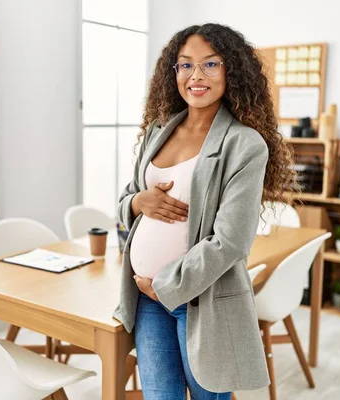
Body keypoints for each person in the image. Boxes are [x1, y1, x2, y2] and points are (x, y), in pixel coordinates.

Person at [112, 23, 296, 400]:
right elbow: (127, 197)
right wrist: (137, 202)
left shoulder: (245, 145)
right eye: (185, 65)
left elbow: (231, 242)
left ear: (232, 70)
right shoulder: (159, 130)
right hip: (146, 299)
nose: (196, 76)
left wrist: (165, 286)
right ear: (173, 72)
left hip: (200, 301)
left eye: (210, 65)